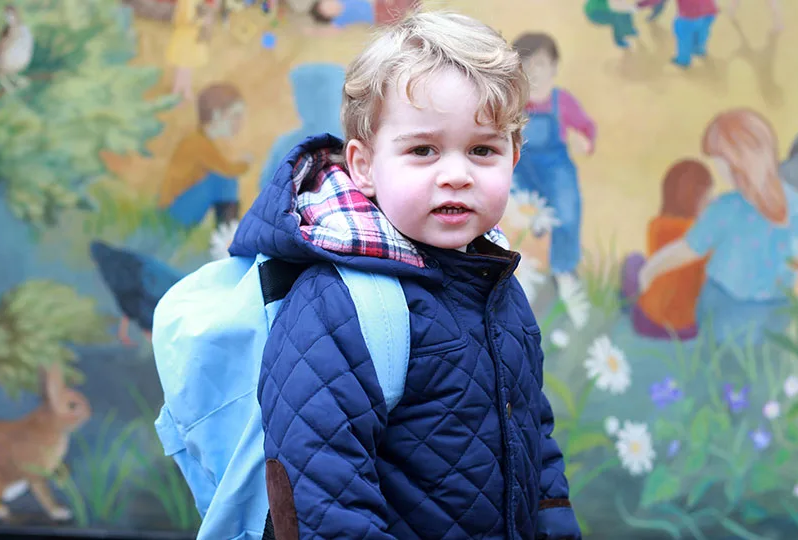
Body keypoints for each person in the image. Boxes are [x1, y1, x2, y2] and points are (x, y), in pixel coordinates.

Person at [228, 10, 581, 539]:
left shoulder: (494, 280)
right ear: (364, 166)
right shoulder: (339, 303)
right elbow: (324, 495)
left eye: (482, 149)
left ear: (513, 158)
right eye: (423, 150)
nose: (457, 175)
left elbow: (532, 432)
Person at [637, 108, 798, 344]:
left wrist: (651, 269)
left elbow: (689, 249)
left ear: (737, 160)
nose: (718, 169)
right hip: (775, 311)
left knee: (721, 351)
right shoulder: (792, 203)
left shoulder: (726, 207)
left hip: (725, 306)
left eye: (719, 161)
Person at [511, 32, 596, 289]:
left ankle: (564, 270)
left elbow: (585, 127)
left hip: (557, 171)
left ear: (554, 67)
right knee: (518, 217)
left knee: (567, 214)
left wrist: (584, 141)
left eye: (540, 64)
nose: (533, 71)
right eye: (526, 65)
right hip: (522, 169)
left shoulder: (563, 101)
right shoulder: (513, 102)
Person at [621, 159, 713, 341]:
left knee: (634, 260)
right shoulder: (702, 238)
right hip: (688, 330)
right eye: (708, 198)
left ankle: (626, 306)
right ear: (697, 199)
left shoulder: (656, 226)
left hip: (646, 323)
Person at [159, 82, 253, 228]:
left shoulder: (201, 140)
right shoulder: (198, 143)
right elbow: (227, 169)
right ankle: (227, 233)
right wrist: (245, 163)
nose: (239, 123)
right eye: (235, 116)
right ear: (216, 114)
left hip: (177, 208)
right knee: (225, 179)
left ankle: (226, 232)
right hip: (173, 213)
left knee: (223, 179)